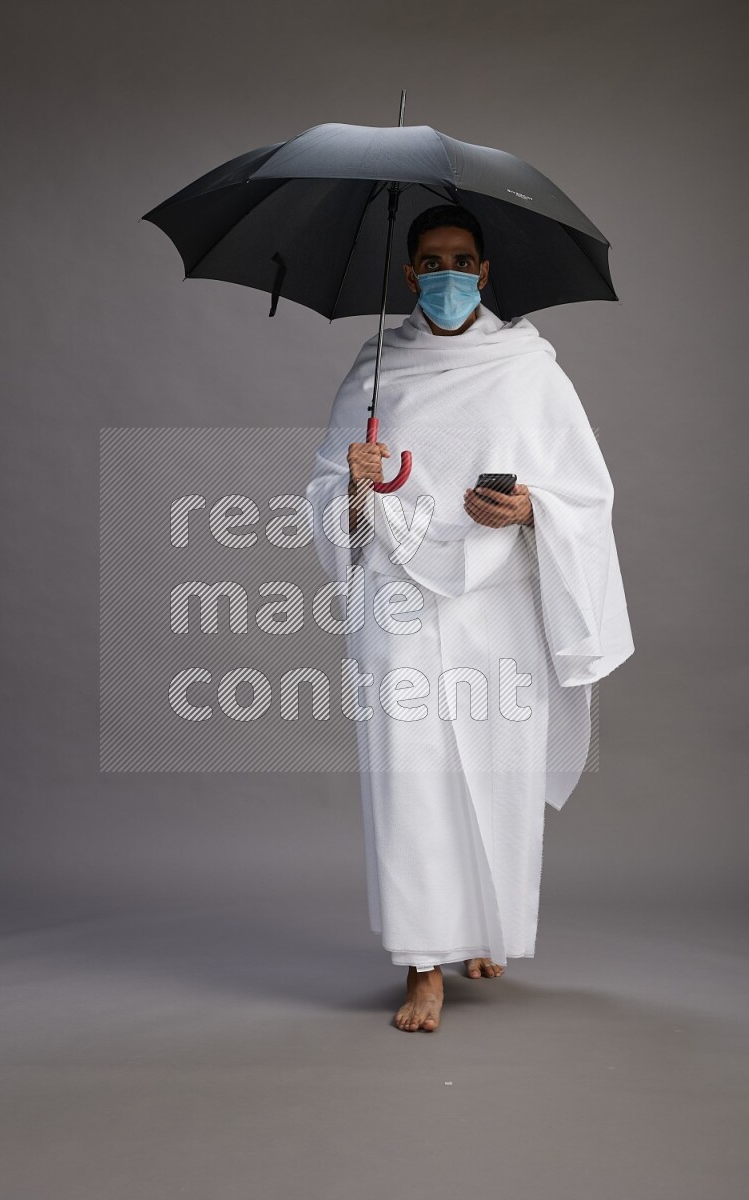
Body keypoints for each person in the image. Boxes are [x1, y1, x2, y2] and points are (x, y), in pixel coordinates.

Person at [305, 204, 634, 1032]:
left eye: (461, 260)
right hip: (400, 599)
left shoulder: (531, 370)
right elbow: (327, 506)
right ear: (409, 272)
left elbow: (585, 497)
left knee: (496, 773)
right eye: (430, 260)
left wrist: (529, 509)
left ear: (484, 273)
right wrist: (353, 476)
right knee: (410, 775)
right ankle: (424, 965)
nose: (446, 274)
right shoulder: (378, 366)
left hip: (499, 604)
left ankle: (481, 929)